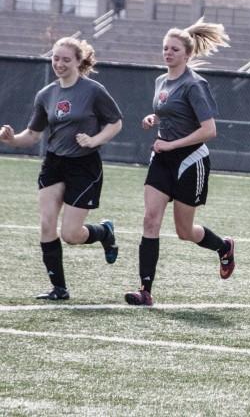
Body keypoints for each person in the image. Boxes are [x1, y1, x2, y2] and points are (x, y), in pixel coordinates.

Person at [0, 37, 122, 300]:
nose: (59, 64)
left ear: (79, 61)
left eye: (66, 59)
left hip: (84, 165)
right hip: (54, 163)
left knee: (71, 234)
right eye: (56, 58)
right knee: (46, 224)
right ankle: (59, 288)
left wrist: (94, 140)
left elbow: (115, 123)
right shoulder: (46, 94)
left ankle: (104, 232)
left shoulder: (93, 90)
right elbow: (32, 135)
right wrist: (11, 139)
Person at [124, 19, 235, 306]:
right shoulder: (162, 81)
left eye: (174, 49)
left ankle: (223, 246)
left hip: (190, 161)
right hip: (162, 159)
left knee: (185, 232)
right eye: (165, 48)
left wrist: (171, 143)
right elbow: (168, 111)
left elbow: (209, 130)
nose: (168, 53)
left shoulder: (195, 84)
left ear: (187, 54)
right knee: (150, 220)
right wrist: (154, 119)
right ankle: (145, 291)